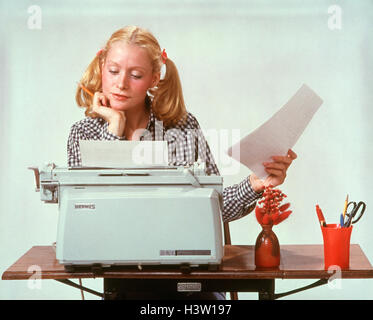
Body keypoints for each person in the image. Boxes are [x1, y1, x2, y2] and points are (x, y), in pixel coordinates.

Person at [68, 26, 297, 299]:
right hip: (123, 281)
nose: (121, 83)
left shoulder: (184, 127)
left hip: (189, 281)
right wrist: (114, 129)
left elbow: (214, 209)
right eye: (114, 71)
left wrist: (255, 184)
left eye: (136, 75)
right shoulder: (83, 133)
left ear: (154, 78)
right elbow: (89, 220)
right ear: (101, 67)